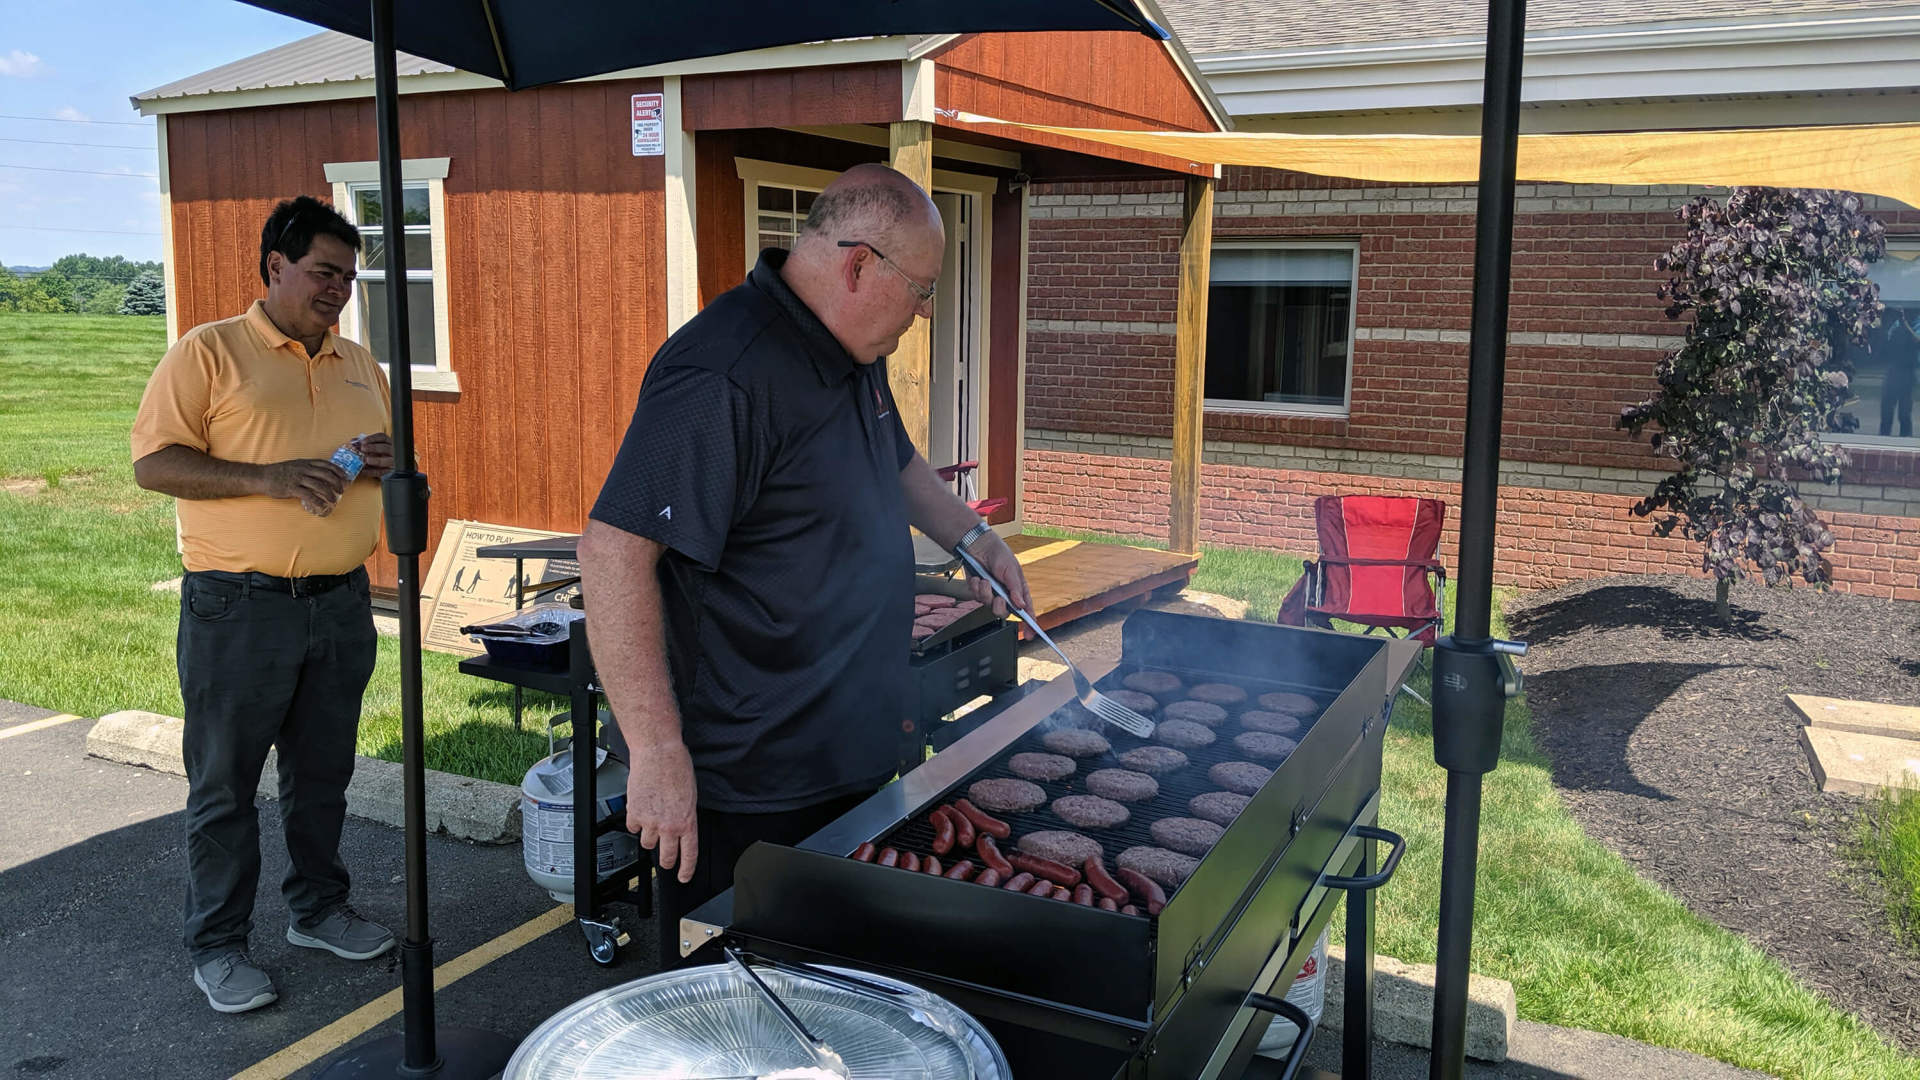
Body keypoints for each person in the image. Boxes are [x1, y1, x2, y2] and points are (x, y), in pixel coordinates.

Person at [578, 163, 1033, 969]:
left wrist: (973, 537)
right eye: (921, 292)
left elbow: (894, 461)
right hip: (754, 784)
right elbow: (612, 550)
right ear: (860, 266)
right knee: (742, 1013)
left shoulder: (850, 350)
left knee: (846, 996)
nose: (923, 315)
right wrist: (654, 752)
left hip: (856, 749)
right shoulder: (722, 372)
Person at [131, 195, 398, 1013]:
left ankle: (316, 910)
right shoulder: (208, 354)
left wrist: (375, 461)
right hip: (238, 608)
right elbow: (153, 465)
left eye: (349, 277)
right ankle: (217, 945)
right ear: (274, 265)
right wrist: (269, 478)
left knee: (322, 776)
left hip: (341, 603)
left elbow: (369, 453)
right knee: (226, 787)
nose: (338, 290)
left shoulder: (360, 363)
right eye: (323, 272)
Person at [1881, 305, 1918, 438]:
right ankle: (1883, 438)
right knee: (1886, 410)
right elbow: (1887, 342)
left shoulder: (1916, 323)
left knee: (1904, 412)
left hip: (1907, 372)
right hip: (1893, 369)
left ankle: (1906, 439)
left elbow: (1917, 340)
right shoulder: (1896, 325)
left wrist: (1905, 324)